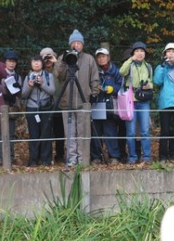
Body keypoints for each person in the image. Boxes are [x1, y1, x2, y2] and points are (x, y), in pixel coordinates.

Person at [54, 29, 100, 167]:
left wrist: (93, 94)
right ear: (70, 44)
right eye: (73, 42)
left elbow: (95, 79)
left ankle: (83, 159)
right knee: (70, 133)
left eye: (78, 42)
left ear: (83, 45)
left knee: (83, 133)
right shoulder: (64, 58)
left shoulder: (89, 59)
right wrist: (63, 61)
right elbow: (59, 75)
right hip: (66, 102)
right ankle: (71, 158)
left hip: (83, 102)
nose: (76, 45)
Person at [119, 42, 154, 164]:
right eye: (137, 51)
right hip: (130, 101)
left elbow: (151, 81)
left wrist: (149, 85)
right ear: (133, 53)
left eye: (142, 51)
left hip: (144, 100)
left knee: (145, 130)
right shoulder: (129, 65)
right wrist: (130, 59)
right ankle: (132, 157)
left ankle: (147, 156)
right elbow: (122, 72)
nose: (140, 53)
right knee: (131, 131)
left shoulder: (148, 66)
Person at [90, 47, 122, 165]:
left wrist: (113, 89)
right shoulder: (93, 71)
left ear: (108, 58)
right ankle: (96, 157)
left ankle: (114, 156)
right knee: (96, 132)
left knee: (110, 132)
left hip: (110, 105)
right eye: (99, 57)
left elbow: (121, 87)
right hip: (97, 104)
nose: (101, 59)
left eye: (103, 56)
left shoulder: (116, 71)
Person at [22, 55, 56, 166]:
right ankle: (33, 159)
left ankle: (46, 159)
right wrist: (29, 85)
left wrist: (42, 84)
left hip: (45, 108)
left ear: (42, 63)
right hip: (32, 108)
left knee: (46, 134)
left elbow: (52, 91)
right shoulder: (28, 77)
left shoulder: (48, 76)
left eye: (38, 61)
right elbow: (23, 94)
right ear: (31, 64)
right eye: (34, 61)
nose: (36, 63)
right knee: (34, 135)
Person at [154, 43, 174, 162]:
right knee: (165, 130)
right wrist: (161, 67)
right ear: (165, 54)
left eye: (173, 51)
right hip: (165, 102)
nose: (170, 53)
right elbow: (157, 81)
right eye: (168, 51)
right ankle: (163, 156)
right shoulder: (161, 67)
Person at [41, 47, 65, 163]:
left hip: (59, 105)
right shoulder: (38, 71)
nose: (48, 60)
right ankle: (46, 156)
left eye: (50, 56)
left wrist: (56, 63)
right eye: (45, 57)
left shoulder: (58, 70)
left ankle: (60, 156)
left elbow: (63, 79)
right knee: (45, 132)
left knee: (60, 132)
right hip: (44, 107)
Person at [0, 50, 22, 164]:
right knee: (0, 133)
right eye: (9, 61)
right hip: (1, 106)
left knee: (11, 133)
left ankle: (11, 156)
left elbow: (21, 94)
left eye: (14, 61)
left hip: (13, 107)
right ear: (5, 62)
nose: (12, 64)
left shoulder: (18, 76)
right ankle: (0, 157)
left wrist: (18, 90)